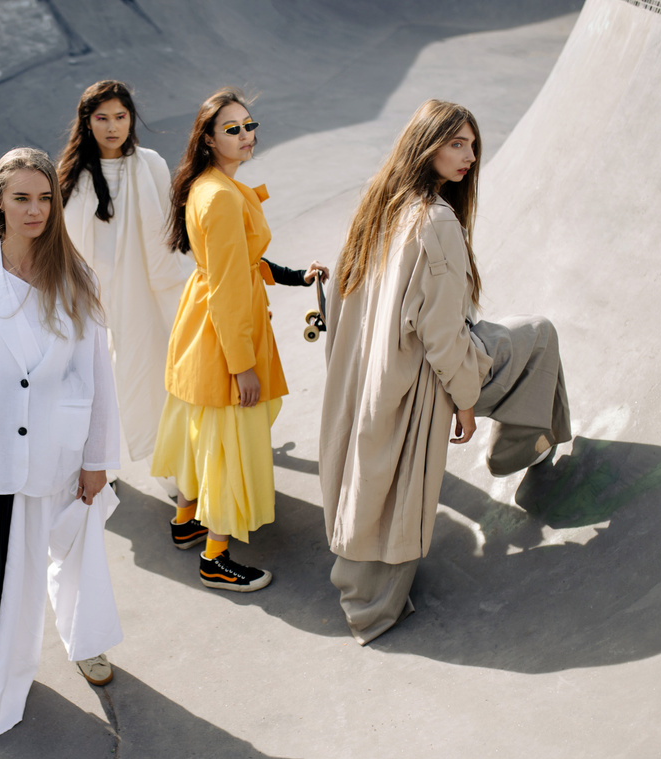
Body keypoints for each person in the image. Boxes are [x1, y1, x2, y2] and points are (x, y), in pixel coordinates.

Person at [319, 99, 572, 645]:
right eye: (456, 143)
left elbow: (346, 296)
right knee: (540, 335)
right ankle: (518, 452)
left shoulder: (380, 203)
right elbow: (440, 335)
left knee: (531, 334)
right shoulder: (436, 221)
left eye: (473, 144)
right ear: (426, 144)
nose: (471, 156)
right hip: (427, 374)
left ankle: (518, 450)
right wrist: (463, 400)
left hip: (373, 369)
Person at [0, 147, 124, 742]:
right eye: (22, 198)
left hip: (61, 448)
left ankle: (85, 639)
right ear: (0, 203)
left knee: (75, 550)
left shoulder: (77, 275)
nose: (35, 209)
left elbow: (98, 376)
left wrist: (98, 459)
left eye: (45, 198)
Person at [150, 88, 329, 592]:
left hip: (202, 327)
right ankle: (215, 557)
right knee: (228, 443)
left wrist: (294, 276)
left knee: (201, 432)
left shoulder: (208, 186)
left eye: (250, 126)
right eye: (233, 129)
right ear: (208, 139)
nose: (246, 136)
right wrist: (242, 365)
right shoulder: (223, 198)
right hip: (224, 333)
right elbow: (230, 287)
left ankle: (186, 520)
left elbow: (237, 266)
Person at [57, 80, 190, 487]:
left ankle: (167, 467)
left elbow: (171, 227)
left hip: (141, 288)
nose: (113, 126)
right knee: (87, 379)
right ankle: (97, 462)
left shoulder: (148, 163)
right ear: (87, 121)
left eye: (120, 116)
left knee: (146, 370)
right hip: (88, 294)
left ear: (131, 119)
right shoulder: (70, 174)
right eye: (102, 118)